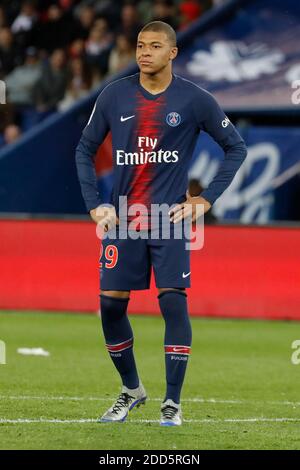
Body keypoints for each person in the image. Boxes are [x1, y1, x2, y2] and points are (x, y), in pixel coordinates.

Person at [75, 20, 247, 426]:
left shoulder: (194, 99)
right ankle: (131, 388)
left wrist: (205, 200)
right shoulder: (115, 95)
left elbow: (235, 147)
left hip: (167, 219)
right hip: (123, 220)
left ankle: (172, 402)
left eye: (154, 46)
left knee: (172, 302)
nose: (144, 52)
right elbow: (84, 148)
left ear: (173, 53)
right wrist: (93, 205)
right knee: (109, 307)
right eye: (139, 45)